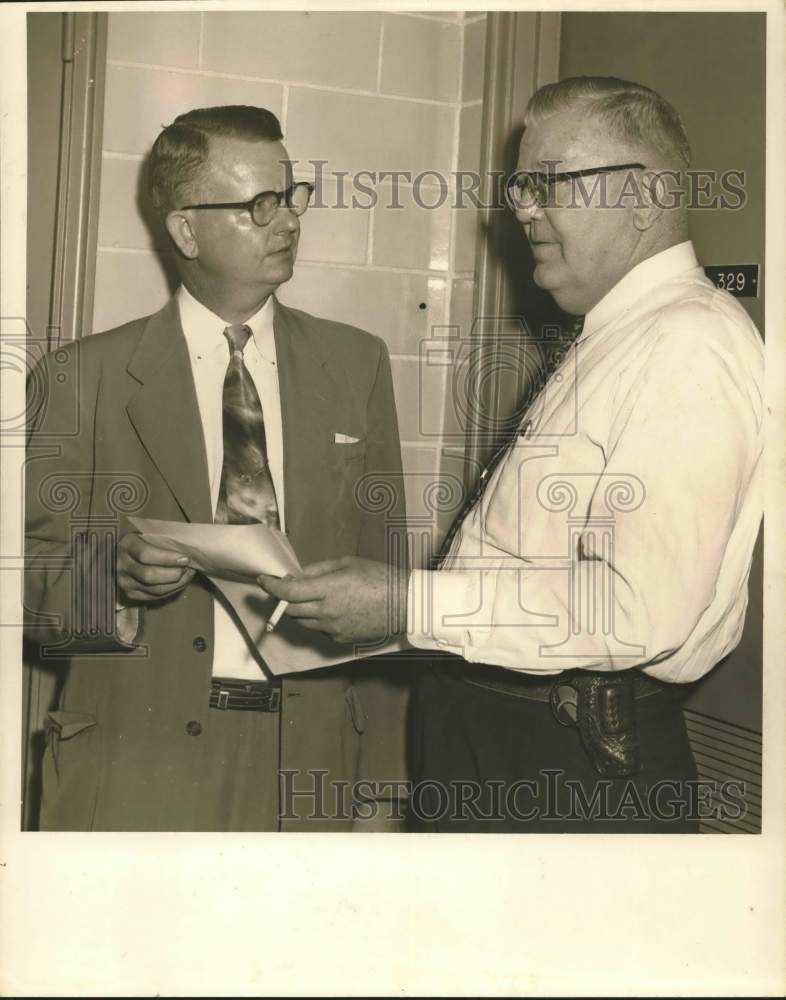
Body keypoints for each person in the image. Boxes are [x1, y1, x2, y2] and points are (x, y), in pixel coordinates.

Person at [263, 77, 764, 832]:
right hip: (511, 740)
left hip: (572, 765)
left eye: (550, 182)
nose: (523, 209)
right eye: (521, 186)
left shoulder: (688, 341)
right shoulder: (617, 334)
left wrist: (407, 602)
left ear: (647, 197)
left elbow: (638, 609)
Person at [24, 105, 407, 832]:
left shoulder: (357, 364)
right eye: (259, 204)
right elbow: (23, 579)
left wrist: (383, 792)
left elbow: (387, 582)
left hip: (311, 763)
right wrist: (112, 579)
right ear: (185, 229)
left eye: (292, 196)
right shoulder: (81, 377)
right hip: (135, 767)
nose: (288, 221)